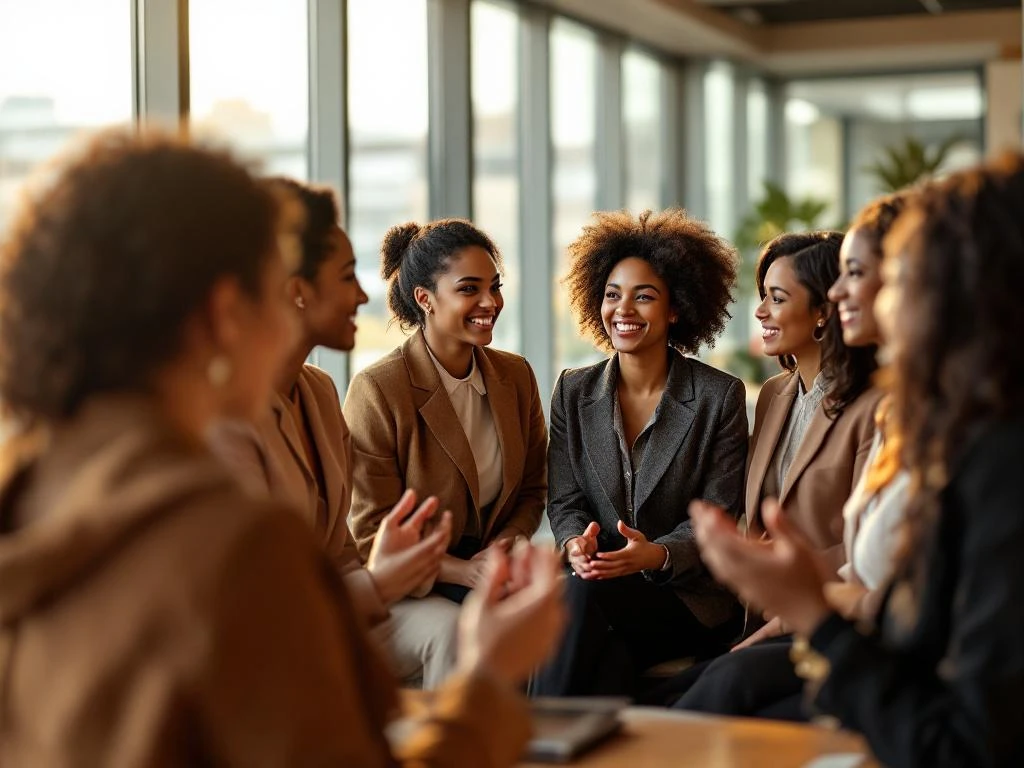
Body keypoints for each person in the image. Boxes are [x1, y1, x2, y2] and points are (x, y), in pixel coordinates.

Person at [0, 129, 564, 766]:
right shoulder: (235, 541)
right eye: (277, 289)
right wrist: (489, 678)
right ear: (223, 312)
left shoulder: (29, 496)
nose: (353, 298)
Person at [692, 154, 1024, 768]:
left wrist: (812, 608)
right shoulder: (963, 432)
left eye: (896, 273)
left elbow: (960, 741)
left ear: (961, 292)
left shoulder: (998, 462)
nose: (858, 294)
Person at [209, 178, 459, 688]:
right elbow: (256, 605)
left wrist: (391, 565)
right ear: (297, 292)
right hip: (264, 645)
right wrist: (379, 582)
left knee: (451, 629)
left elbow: (341, 549)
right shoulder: (225, 419)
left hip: (337, 607)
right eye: (347, 277)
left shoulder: (320, 392)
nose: (363, 295)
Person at [672, 194, 911, 719]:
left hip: (817, 608)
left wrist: (780, 579)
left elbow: (861, 546)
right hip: (756, 608)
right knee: (661, 689)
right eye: (762, 295)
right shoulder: (776, 394)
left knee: (711, 690)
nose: (759, 311)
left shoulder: (877, 407)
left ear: (823, 312)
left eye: (776, 298)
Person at [531, 209, 748, 697]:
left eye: (643, 296)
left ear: (676, 308)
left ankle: (527, 743)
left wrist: (656, 553)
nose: (623, 310)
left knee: (574, 600)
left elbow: (718, 516)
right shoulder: (572, 390)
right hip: (600, 586)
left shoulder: (719, 396)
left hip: (687, 596)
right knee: (605, 658)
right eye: (612, 295)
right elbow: (564, 501)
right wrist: (575, 545)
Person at [343, 219, 547, 604]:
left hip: (495, 570)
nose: (490, 302)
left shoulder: (516, 376)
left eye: (495, 287)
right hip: (416, 582)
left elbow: (534, 489)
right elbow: (371, 533)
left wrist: (499, 552)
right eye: (469, 289)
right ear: (425, 299)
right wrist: (464, 571)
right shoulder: (379, 389)